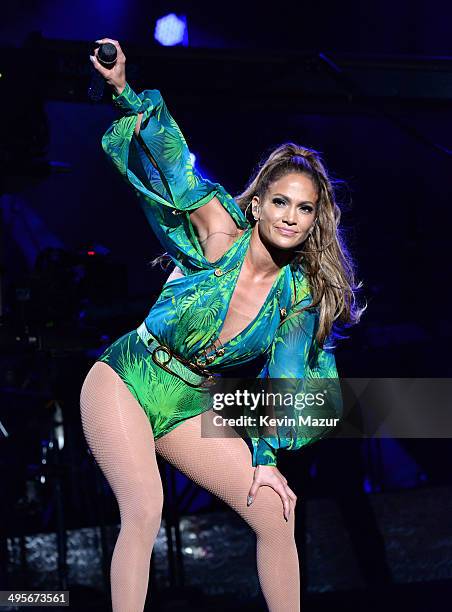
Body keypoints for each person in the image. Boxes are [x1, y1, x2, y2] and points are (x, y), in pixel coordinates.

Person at [80, 38, 364, 612]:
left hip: (188, 406)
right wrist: (123, 91)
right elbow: (175, 162)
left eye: (304, 209)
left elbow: (282, 386)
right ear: (257, 205)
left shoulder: (298, 296)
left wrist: (265, 456)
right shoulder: (219, 234)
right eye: (280, 202)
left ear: (313, 222)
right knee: (145, 506)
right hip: (127, 379)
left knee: (277, 510)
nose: (290, 216)